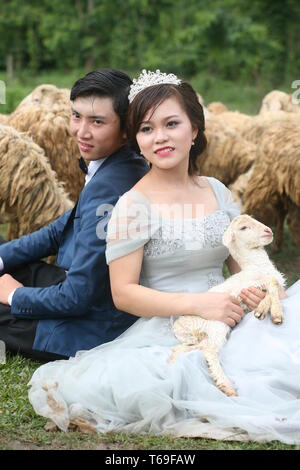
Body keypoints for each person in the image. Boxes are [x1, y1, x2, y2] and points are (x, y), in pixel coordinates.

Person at [28, 70, 300, 443]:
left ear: (195, 130)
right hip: (172, 324)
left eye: (171, 124)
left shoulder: (218, 193)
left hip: (231, 312)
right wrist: (202, 305)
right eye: (146, 128)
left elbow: (245, 265)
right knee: (200, 381)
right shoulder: (131, 206)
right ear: (136, 140)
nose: (160, 137)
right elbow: (124, 293)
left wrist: (253, 291)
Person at [0, 69, 149, 361]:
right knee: (14, 265)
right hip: (89, 290)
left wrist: (14, 295)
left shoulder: (111, 189)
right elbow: (61, 230)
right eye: (76, 116)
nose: (81, 131)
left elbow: (77, 297)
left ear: (125, 128)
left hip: (87, 327)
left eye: (97, 122)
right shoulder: (121, 164)